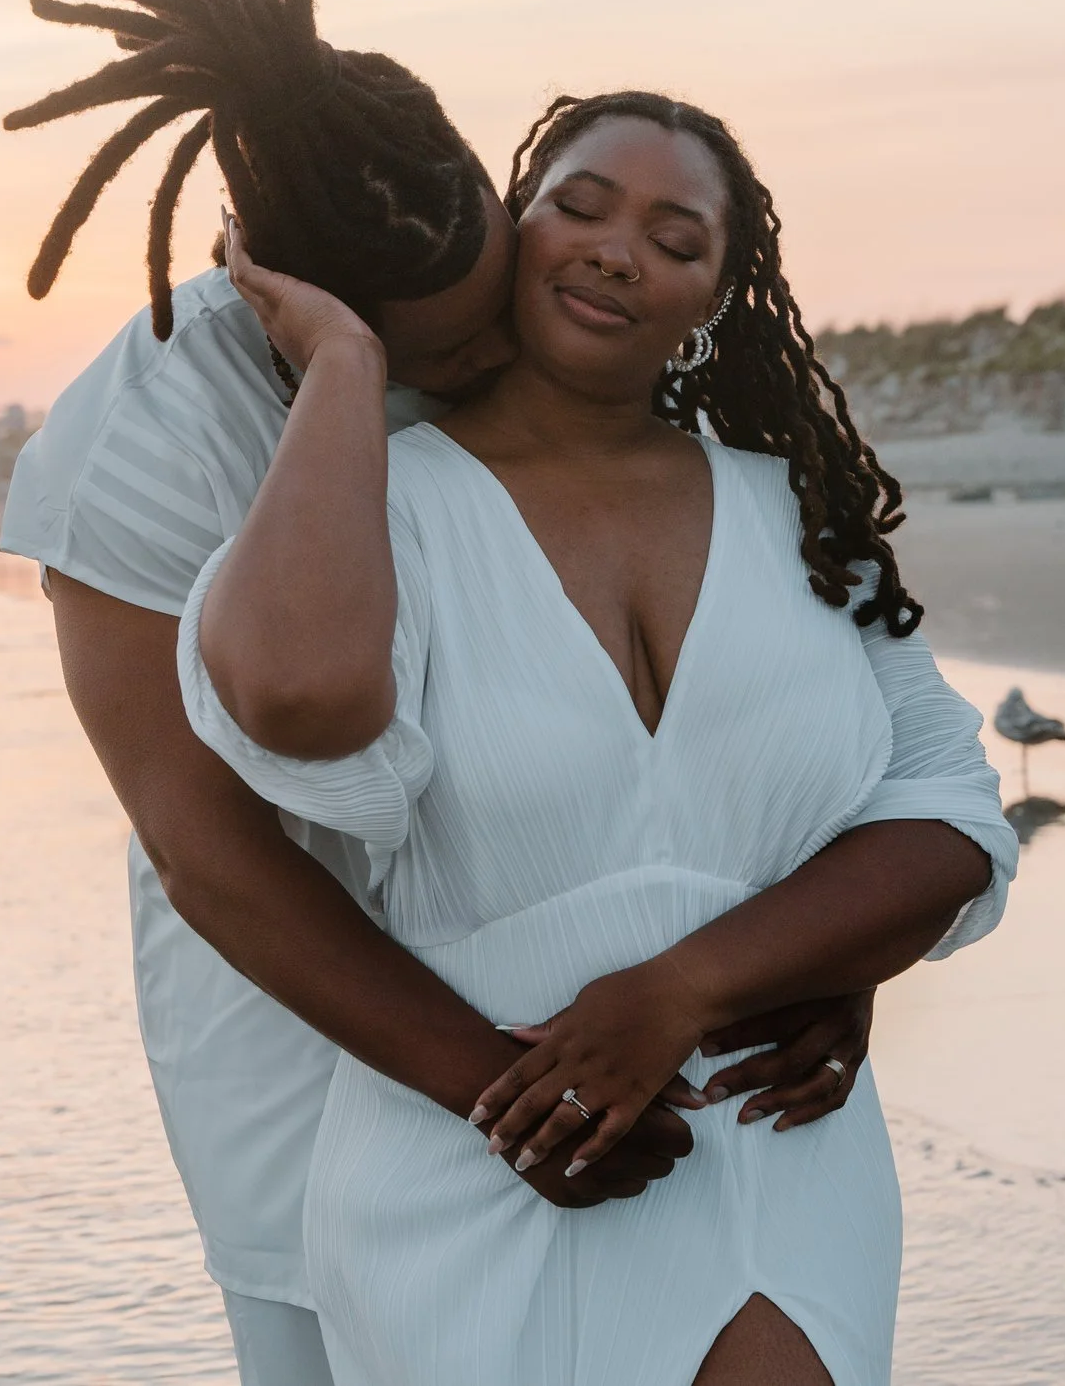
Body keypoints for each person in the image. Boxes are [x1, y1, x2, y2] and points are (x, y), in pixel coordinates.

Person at [0, 0, 876, 1386]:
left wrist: (815, 952)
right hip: (325, 1047)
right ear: (305, 301)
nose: (498, 355)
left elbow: (721, 681)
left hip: (635, 1032)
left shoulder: (533, 312)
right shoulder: (136, 446)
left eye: (503, 283)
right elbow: (211, 852)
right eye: (450, 346)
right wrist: (507, 1095)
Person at [180, 92, 1018, 1384]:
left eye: (676, 239)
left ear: (721, 297)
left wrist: (686, 986)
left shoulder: (799, 511)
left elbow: (953, 816)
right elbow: (295, 699)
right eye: (579, 207)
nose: (619, 249)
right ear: (511, 230)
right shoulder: (374, 510)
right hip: (480, 1156)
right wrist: (347, 362)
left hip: (773, 1145)